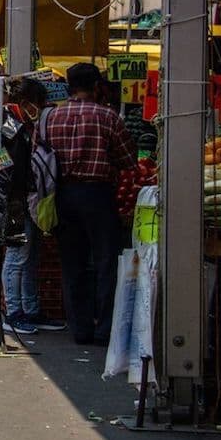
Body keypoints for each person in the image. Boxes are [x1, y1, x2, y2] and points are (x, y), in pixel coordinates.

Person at [46, 63, 136, 346]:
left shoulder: (51, 117)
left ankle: (80, 328)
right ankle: (104, 328)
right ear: (97, 86)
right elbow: (128, 160)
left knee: (72, 263)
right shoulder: (108, 116)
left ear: (69, 86)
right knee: (105, 261)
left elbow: (42, 157)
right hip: (98, 195)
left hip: (62, 195)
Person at [0, 78, 64, 335]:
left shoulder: (19, 123)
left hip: (25, 197)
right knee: (17, 256)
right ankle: (14, 313)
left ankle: (31, 310)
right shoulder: (7, 124)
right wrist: (7, 178)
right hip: (12, 201)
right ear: (26, 103)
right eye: (38, 104)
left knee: (30, 256)